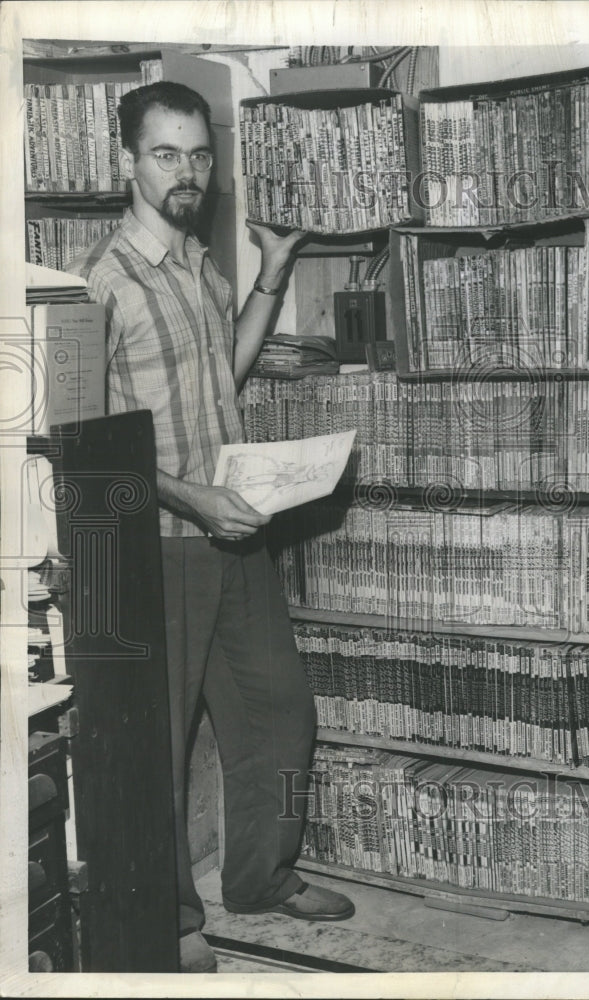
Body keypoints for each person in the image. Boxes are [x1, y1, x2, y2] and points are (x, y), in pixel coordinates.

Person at [69, 81, 354, 974]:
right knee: (156, 741)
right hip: (154, 545)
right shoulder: (94, 287)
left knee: (280, 716)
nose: (187, 172)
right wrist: (190, 497)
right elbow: (87, 448)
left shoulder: (197, 263)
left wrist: (272, 278)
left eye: (198, 155)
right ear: (127, 162)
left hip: (238, 533)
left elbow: (225, 375)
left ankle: (262, 877)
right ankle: (166, 916)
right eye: (167, 154)